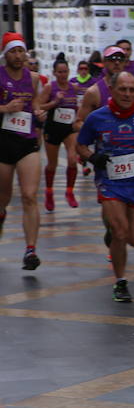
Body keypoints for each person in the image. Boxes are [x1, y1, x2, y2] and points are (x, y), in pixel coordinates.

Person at [76, 71, 134, 302]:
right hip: (110, 183)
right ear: (112, 90)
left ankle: (115, 235)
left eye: (131, 90)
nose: (127, 94)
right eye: (122, 89)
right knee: (120, 232)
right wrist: (92, 157)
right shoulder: (97, 117)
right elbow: (81, 145)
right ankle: (120, 282)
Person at [0, 32, 43, 269]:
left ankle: (30, 251)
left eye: (21, 51)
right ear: (5, 54)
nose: (18, 56)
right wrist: (5, 107)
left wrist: (39, 113)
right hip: (3, 142)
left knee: (29, 196)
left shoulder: (34, 78)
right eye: (13, 51)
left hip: (27, 142)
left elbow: (35, 104)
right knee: (2, 199)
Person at [36, 58, 80, 210]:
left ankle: (70, 192)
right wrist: (54, 102)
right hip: (53, 129)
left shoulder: (73, 87)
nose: (63, 75)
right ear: (54, 73)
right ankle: (49, 192)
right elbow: (39, 106)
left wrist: (78, 119)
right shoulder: (50, 87)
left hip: (69, 129)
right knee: (52, 165)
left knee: (72, 160)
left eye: (65, 71)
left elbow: (78, 107)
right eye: (60, 72)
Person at [76, 46, 134, 129]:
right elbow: (78, 123)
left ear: (124, 63)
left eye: (120, 59)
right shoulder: (94, 92)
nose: (117, 62)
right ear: (104, 62)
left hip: (132, 139)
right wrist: (94, 132)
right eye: (112, 59)